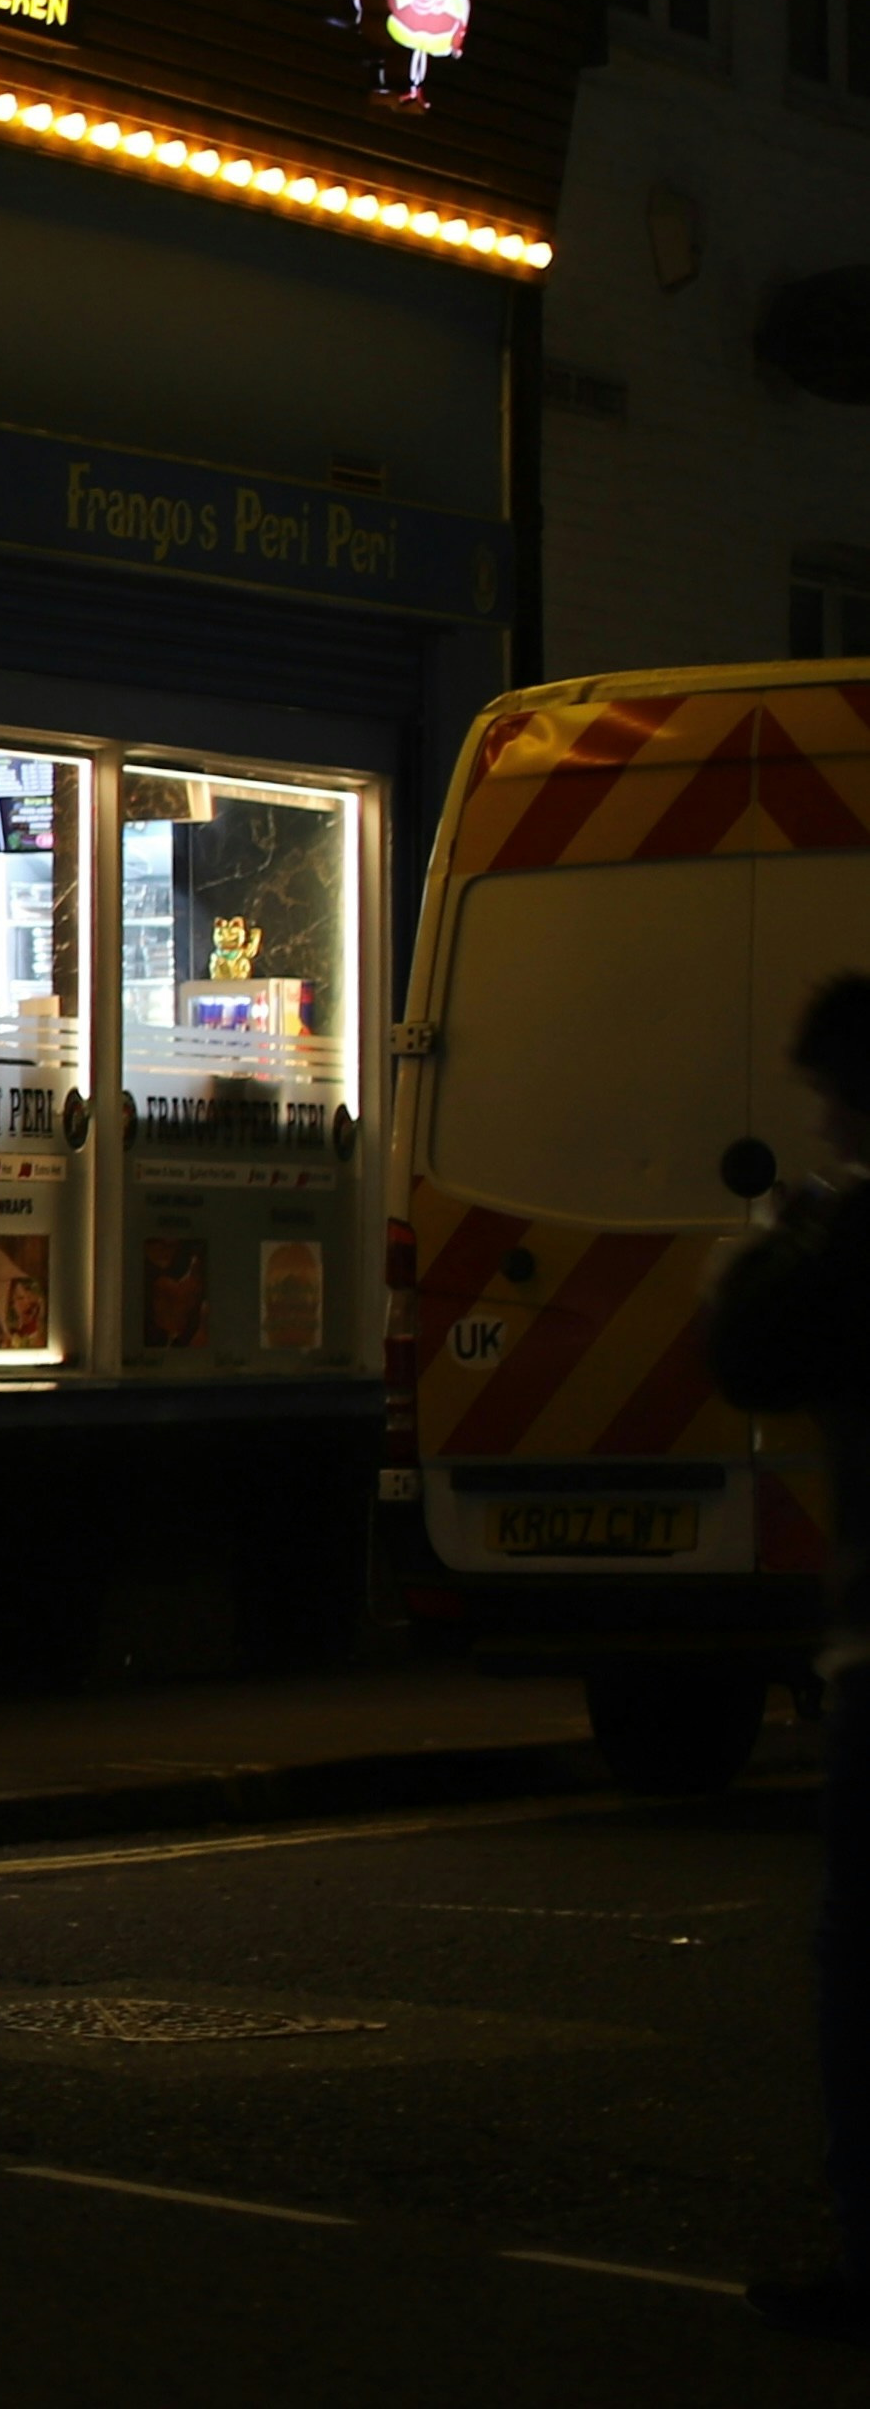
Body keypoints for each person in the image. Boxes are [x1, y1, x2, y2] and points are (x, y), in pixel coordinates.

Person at [707, 969, 870, 2338]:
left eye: (828, 1096)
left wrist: (785, 1231)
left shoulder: (853, 1232)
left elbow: (753, 1352)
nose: (816, 1121)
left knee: (860, 1960)